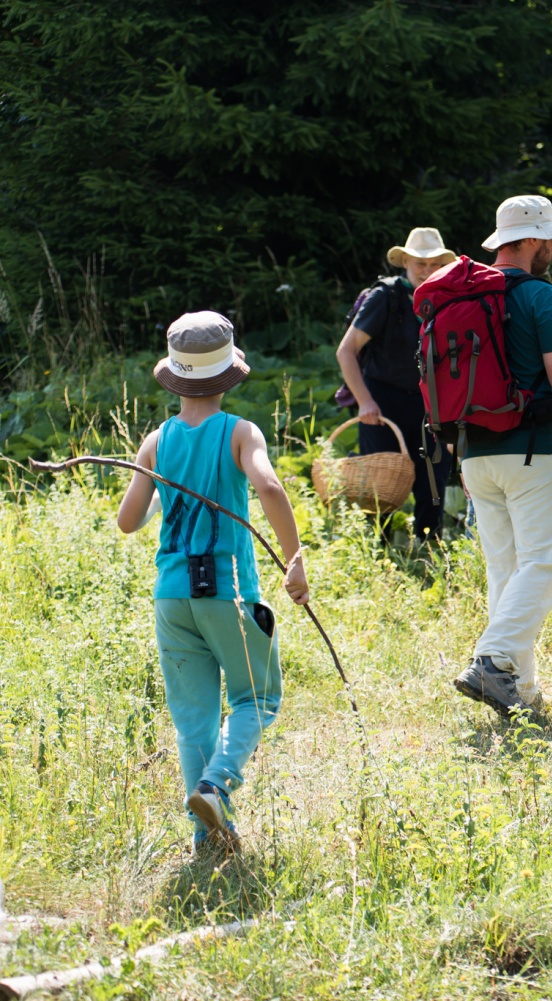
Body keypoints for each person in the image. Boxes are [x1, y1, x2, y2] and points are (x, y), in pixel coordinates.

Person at [115, 311, 310, 855]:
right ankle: (215, 786)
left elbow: (128, 521)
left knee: (193, 720)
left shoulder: (156, 442)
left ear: (175, 377)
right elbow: (268, 486)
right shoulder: (240, 432)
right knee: (258, 697)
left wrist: (159, 489)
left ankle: (207, 836)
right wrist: (294, 559)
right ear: (228, 374)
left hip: (172, 597)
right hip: (225, 590)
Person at [451, 195, 552, 717]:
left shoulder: (463, 295)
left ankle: (520, 689)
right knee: (545, 560)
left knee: (507, 570)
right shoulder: (542, 297)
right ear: (536, 240)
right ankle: (493, 661)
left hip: (474, 453)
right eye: (551, 241)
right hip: (533, 450)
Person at [335, 227, 457, 542]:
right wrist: (364, 401)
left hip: (431, 403)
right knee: (379, 482)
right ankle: (381, 548)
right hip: (382, 399)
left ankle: (429, 548)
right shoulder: (385, 297)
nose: (427, 271)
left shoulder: (448, 300)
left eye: (434, 265)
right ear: (405, 262)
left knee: (433, 477)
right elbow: (346, 351)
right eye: (420, 263)